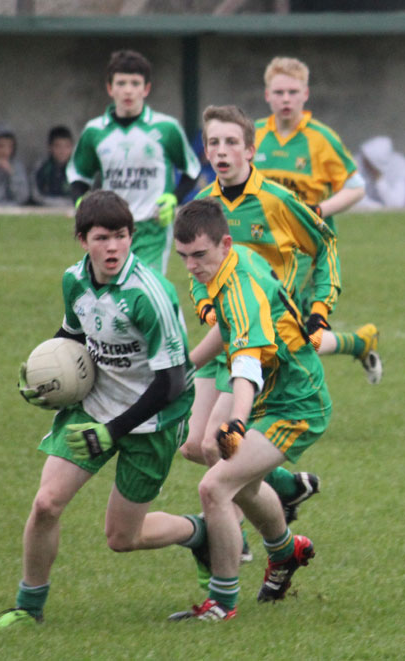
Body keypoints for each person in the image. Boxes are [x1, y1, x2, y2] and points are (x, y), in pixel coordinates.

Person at [0, 190, 217, 630]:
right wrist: (40, 371)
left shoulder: (149, 294)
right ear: (82, 240)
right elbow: (72, 334)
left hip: (152, 420)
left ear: (132, 237)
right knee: (47, 504)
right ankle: (28, 607)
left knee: (121, 538)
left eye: (121, 236)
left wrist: (114, 430)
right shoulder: (74, 280)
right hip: (95, 404)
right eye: (102, 237)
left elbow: (171, 383)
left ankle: (199, 533)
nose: (113, 247)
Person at [169, 198, 330, 621]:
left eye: (199, 255)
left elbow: (245, 363)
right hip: (274, 392)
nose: (191, 266)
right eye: (183, 257)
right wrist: (185, 367)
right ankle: (285, 551)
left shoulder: (238, 284)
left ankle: (222, 602)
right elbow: (227, 328)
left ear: (224, 243)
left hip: (296, 404)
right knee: (235, 475)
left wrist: (237, 420)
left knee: (214, 486)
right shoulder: (232, 261)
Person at [181, 104, 341, 528]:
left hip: (262, 339)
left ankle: (234, 540)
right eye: (213, 142)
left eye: (232, 142)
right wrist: (206, 304)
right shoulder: (203, 204)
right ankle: (286, 487)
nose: (222, 151)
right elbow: (197, 270)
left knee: (220, 444)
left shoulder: (277, 200)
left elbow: (325, 245)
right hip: (224, 334)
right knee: (193, 445)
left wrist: (321, 309)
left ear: (250, 150)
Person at [255, 57, 381, 383]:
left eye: (292, 92)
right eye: (279, 92)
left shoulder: (320, 138)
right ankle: (358, 343)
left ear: (306, 94)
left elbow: (356, 187)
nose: (286, 99)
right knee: (280, 332)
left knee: (283, 332)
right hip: (262, 248)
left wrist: (319, 211)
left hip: (307, 252)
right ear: (267, 95)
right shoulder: (252, 135)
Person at [67, 49, 201, 274]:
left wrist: (173, 199)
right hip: (110, 228)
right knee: (113, 293)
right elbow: (78, 175)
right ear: (110, 88)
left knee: (146, 290)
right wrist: (81, 202)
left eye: (135, 83)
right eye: (121, 83)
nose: (128, 90)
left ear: (146, 88)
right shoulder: (95, 131)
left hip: (152, 228)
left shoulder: (166, 128)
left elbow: (192, 170)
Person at [354, 136, 405, 210]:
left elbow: (396, 204)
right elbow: (354, 198)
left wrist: (379, 179)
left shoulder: (400, 167)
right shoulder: (356, 164)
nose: (365, 164)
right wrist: (378, 207)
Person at [31, 125, 74, 207]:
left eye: (67, 146)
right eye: (58, 146)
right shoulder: (42, 167)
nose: (62, 151)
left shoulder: (77, 169)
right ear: (50, 147)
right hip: (45, 209)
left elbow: (83, 194)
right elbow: (36, 195)